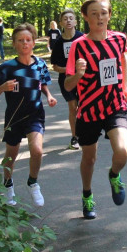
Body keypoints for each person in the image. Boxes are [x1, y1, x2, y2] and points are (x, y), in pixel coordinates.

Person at [65, 0, 127, 220]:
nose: (100, 17)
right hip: (89, 110)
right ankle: (87, 196)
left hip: (114, 105)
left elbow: (121, 61)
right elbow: (67, 84)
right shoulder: (78, 45)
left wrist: (124, 86)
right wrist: (78, 74)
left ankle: (114, 175)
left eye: (103, 13)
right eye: (94, 14)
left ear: (110, 15)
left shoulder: (119, 39)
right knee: (89, 158)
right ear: (86, 17)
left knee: (122, 152)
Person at [0, 24, 57, 208]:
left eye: (28, 40)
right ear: (14, 44)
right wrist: (2, 87)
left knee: (37, 151)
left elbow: (43, 84)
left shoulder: (40, 64)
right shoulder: (6, 68)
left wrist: (48, 96)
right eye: (20, 40)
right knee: (11, 155)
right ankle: (8, 185)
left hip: (35, 114)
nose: (24, 43)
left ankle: (33, 182)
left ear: (33, 42)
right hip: (14, 116)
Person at [49, 8, 84, 149]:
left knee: (83, 107)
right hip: (66, 80)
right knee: (73, 107)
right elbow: (55, 66)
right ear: (61, 23)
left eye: (71, 18)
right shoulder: (58, 43)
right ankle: (75, 138)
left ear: (75, 21)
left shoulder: (83, 38)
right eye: (65, 19)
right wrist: (70, 70)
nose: (68, 21)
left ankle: (85, 134)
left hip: (83, 79)